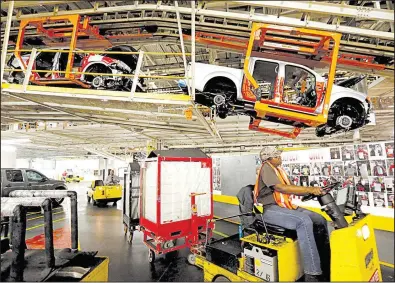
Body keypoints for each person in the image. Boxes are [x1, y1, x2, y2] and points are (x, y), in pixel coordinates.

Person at [254, 146, 330, 282]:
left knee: (318, 218)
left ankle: (325, 260)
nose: (280, 158)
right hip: (267, 209)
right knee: (303, 221)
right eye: (277, 156)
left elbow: (290, 189)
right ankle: (312, 274)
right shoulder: (266, 167)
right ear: (270, 159)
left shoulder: (278, 170)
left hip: (282, 205)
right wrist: (310, 189)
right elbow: (280, 188)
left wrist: (309, 191)